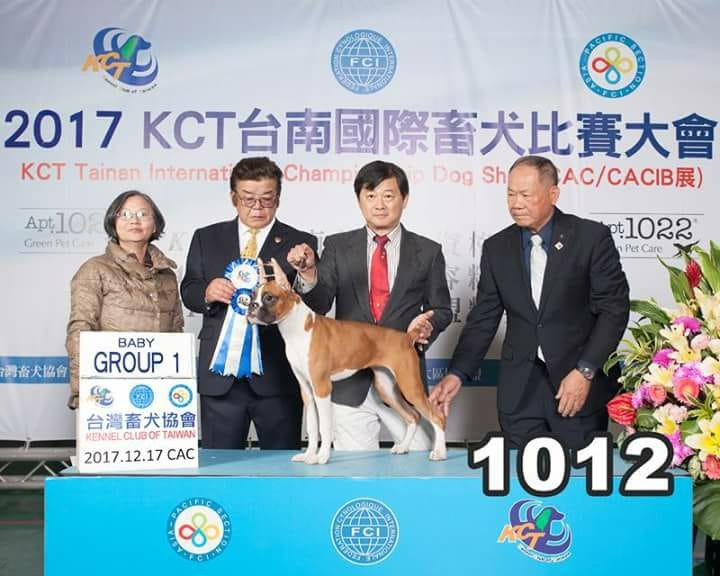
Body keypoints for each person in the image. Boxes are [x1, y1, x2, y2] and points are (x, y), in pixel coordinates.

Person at [430, 155, 630, 449]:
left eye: (525, 195)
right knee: (518, 476)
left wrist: (586, 370)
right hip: (519, 393)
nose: (516, 203)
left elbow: (614, 310)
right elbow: (484, 319)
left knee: (579, 475)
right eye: (510, 194)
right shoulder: (497, 248)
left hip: (576, 388)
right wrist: (457, 374)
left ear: (553, 194)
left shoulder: (590, 238)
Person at [287, 160, 452, 450]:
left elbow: (442, 309)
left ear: (404, 199)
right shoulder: (337, 246)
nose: (379, 205)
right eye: (371, 195)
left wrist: (428, 324)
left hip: (401, 378)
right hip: (347, 390)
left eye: (388, 195)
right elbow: (319, 305)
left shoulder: (428, 251)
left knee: (418, 467)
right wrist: (309, 274)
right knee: (353, 471)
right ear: (359, 200)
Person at [181, 157, 317, 450]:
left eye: (267, 199)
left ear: (278, 199)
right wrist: (206, 291)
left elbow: (317, 302)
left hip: (278, 373)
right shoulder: (206, 237)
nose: (257, 207)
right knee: (219, 466)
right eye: (248, 199)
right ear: (234, 198)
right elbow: (189, 288)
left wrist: (304, 277)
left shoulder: (301, 243)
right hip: (220, 377)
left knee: (281, 467)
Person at [66, 190, 184, 409]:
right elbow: (80, 331)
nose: (134, 220)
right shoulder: (94, 269)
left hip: (161, 389)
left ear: (155, 225)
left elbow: (176, 331)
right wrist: (82, 390)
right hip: (109, 389)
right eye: (125, 214)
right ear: (113, 222)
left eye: (143, 214)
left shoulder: (167, 274)